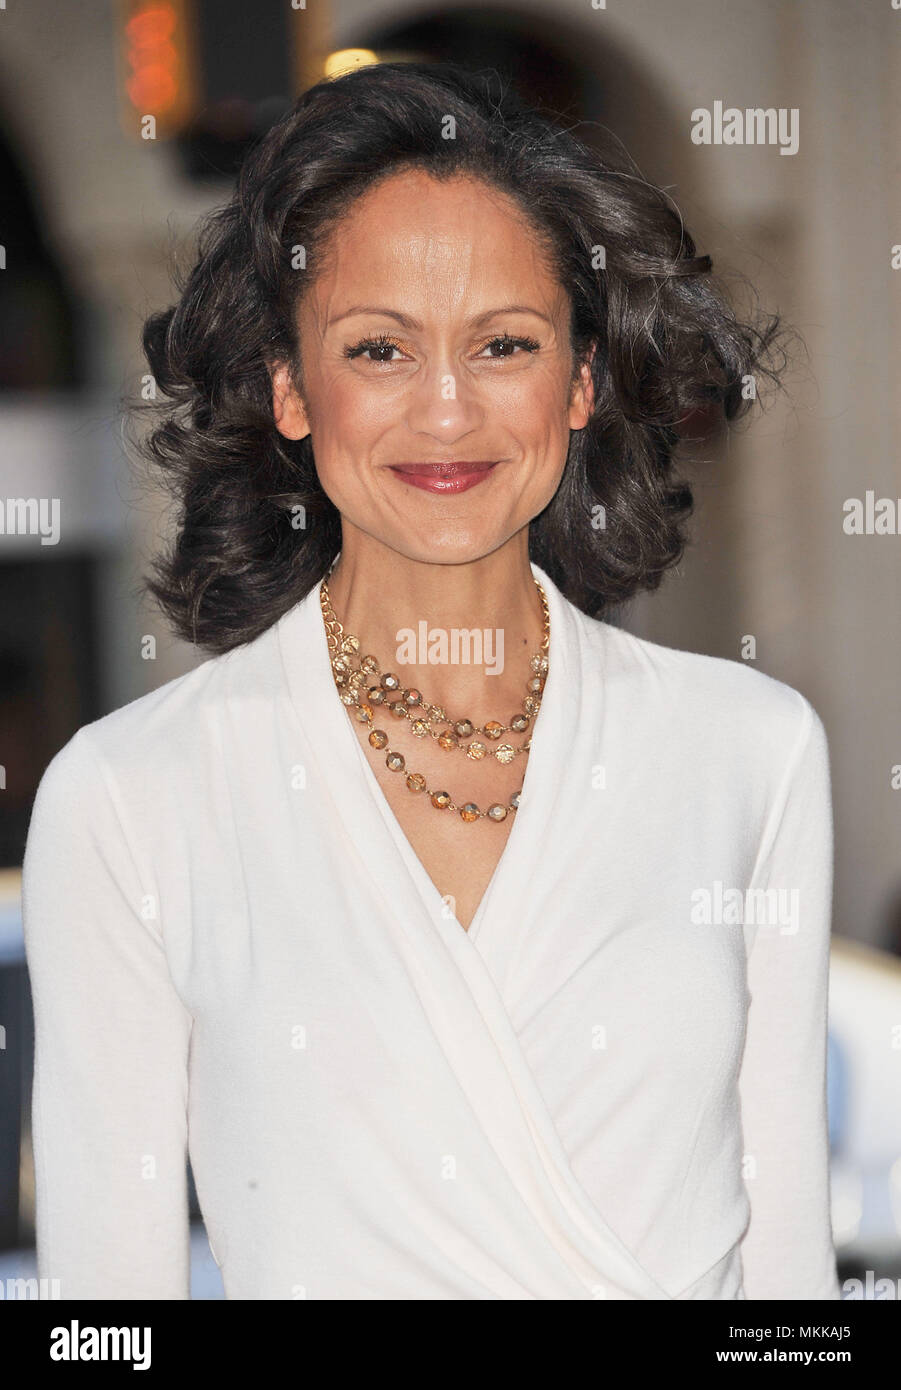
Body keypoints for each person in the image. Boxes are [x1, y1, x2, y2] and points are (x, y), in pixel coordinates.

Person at [22, 60, 838, 1300]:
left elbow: (785, 1277)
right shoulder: (134, 797)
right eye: (380, 349)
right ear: (292, 389)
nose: (445, 409)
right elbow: (103, 1318)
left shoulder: (750, 750)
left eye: (503, 343)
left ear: (577, 383)